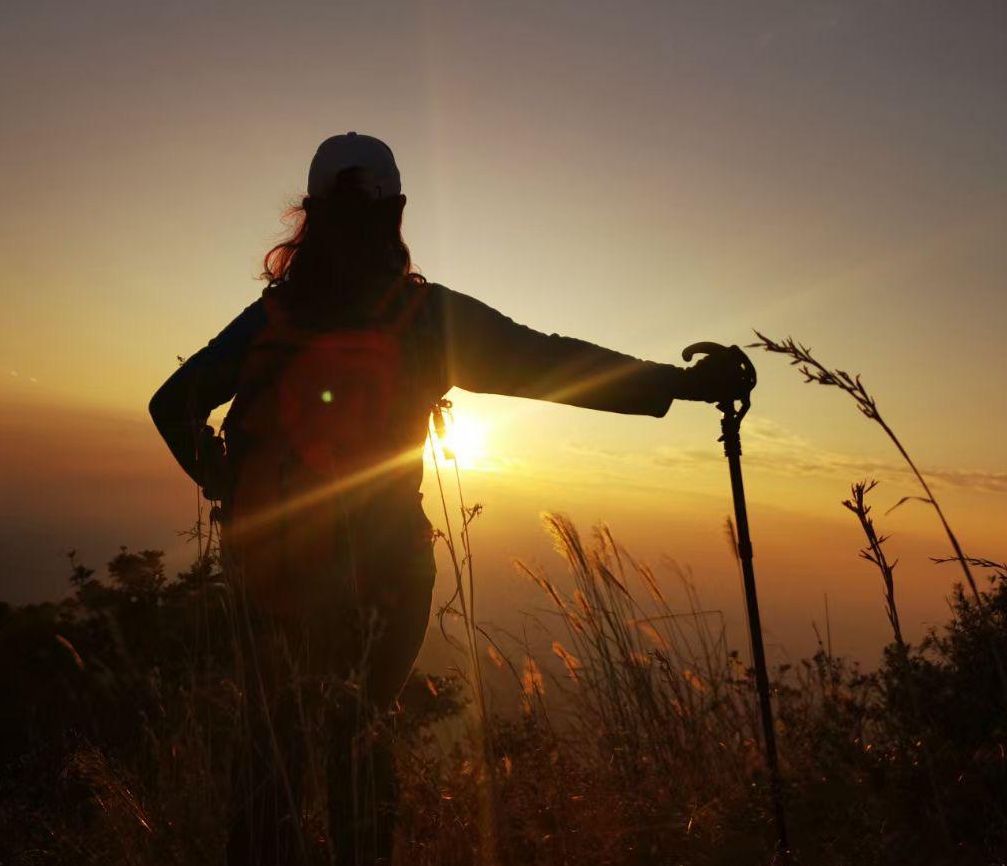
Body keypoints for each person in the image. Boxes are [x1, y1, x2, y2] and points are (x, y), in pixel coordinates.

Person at [149, 132, 750, 866]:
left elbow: (172, 404)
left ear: (308, 214)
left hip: (272, 572)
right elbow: (552, 362)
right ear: (397, 210)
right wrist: (682, 384)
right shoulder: (425, 319)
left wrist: (229, 487)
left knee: (269, 760)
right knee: (359, 745)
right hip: (387, 578)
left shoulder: (274, 320)